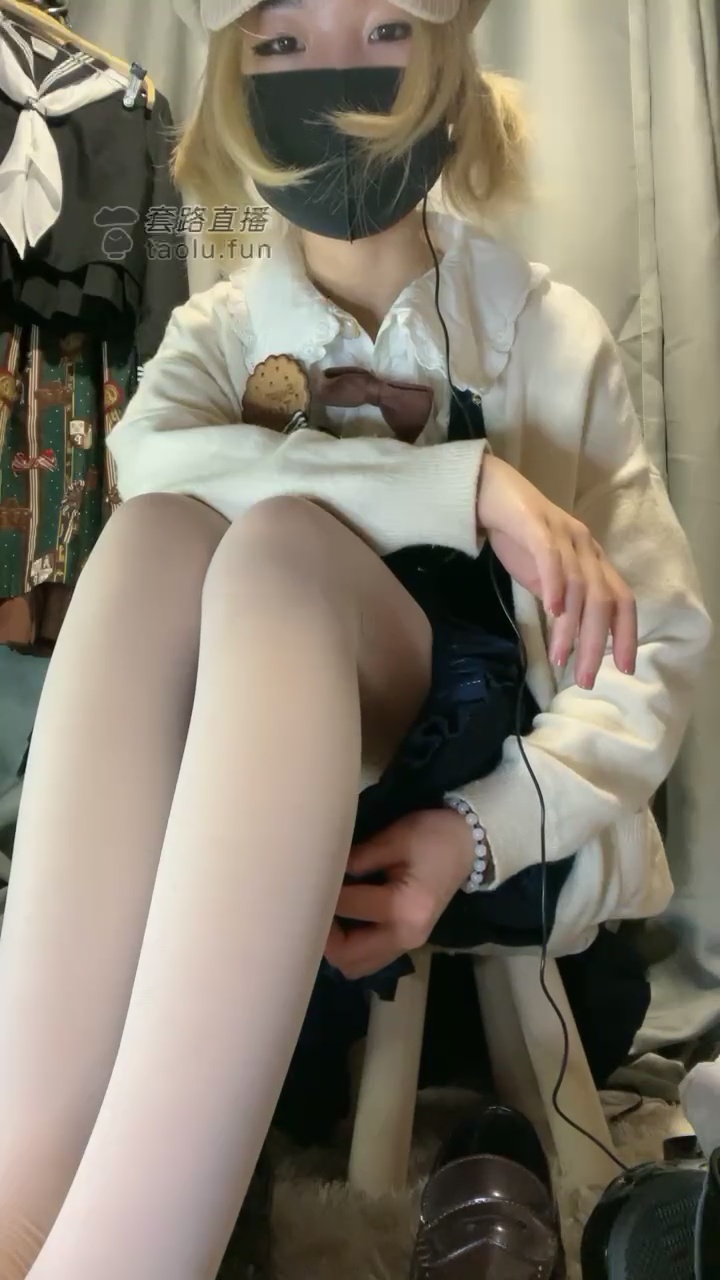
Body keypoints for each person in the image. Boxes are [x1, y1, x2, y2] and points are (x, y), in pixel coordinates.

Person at [0, 1, 709, 1278]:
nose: (332, 82)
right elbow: (149, 461)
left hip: (482, 852)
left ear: (448, 59)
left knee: (274, 547)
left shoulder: (547, 330)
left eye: (383, 25)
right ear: (231, 76)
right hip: (264, 912)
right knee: (154, 536)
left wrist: (478, 830)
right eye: (281, 42)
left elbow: (652, 648)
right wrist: (470, 486)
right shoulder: (219, 333)